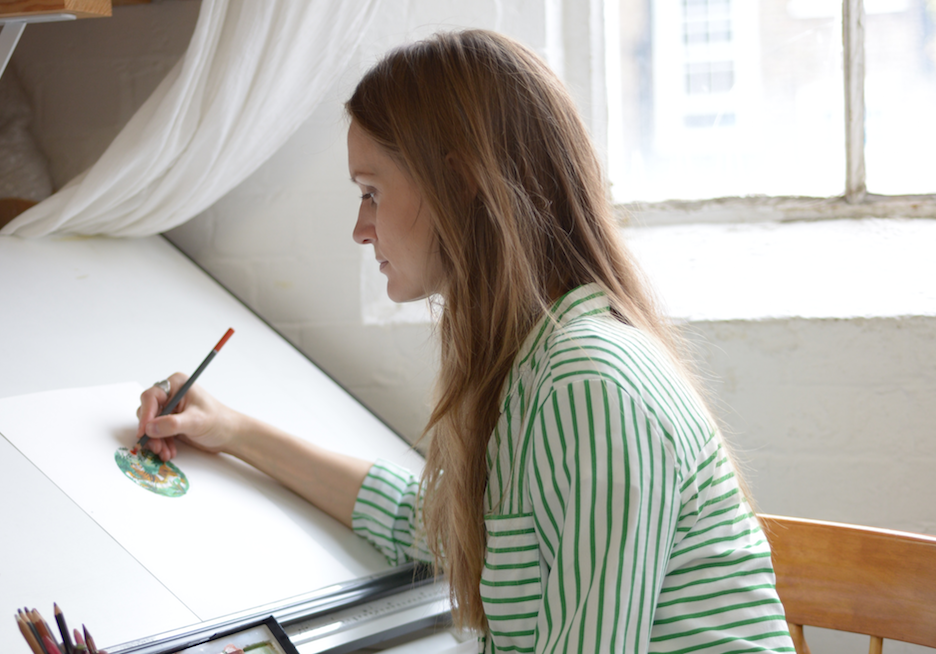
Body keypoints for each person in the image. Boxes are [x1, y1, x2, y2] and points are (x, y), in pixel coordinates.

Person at [136, 30, 794, 654]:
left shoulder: (587, 382)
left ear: (460, 181)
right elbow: (427, 524)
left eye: (371, 192)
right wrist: (231, 430)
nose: (360, 230)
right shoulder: (531, 368)